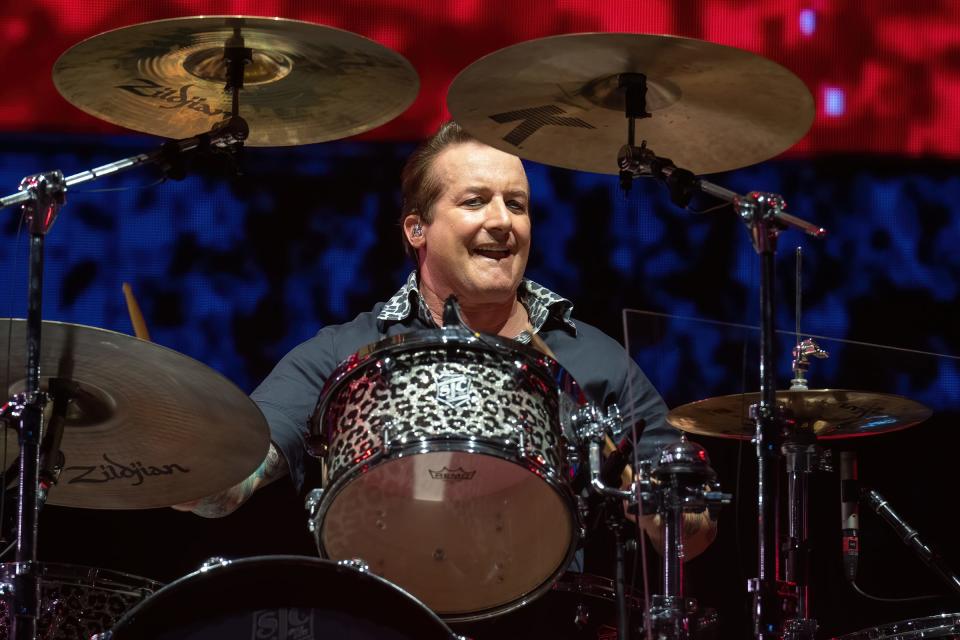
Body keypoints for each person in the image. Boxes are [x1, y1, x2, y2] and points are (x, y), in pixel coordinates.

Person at [174, 121, 717, 559]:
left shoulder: (592, 356)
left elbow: (694, 533)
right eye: (475, 201)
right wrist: (173, 460)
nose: (504, 221)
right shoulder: (345, 353)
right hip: (387, 616)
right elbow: (229, 486)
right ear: (417, 229)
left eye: (518, 203)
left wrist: (659, 503)